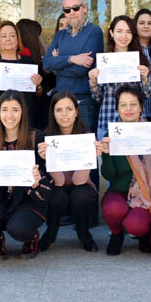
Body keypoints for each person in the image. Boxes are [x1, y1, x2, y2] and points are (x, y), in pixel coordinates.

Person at [0, 90, 51, 259]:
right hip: (1, 198)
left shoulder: (36, 137)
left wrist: (37, 182)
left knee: (18, 228)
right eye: (5, 109)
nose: (9, 115)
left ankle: (31, 237)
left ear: (23, 112)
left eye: (15, 110)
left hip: (28, 199)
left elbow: (48, 185)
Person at [98, 85, 151, 255]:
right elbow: (109, 175)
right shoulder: (112, 133)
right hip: (119, 192)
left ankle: (143, 233)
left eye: (133, 104)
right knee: (113, 208)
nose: (128, 109)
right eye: (123, 105)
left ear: (141, 107)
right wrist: (106, 155)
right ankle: (116, 235)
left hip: (145, 195)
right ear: (117, 109)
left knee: (135, 225)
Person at [37, 92, 100, 251]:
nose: (64, 114)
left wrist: (90, 156)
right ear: (53, 112)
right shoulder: (46, 138)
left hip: (82, 185)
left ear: (77, 111)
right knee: (56, 195)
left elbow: (79, 181)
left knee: (80, 195)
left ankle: (84, 233)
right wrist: (47, 159)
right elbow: (59, 182)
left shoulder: (86, 136)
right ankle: (51, 233)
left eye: (69, 109)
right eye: (59, 110)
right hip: (57, 186)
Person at [44, 0, 105, 133]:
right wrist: (73, 58)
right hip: (59, 100)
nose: (71, 13)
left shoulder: (94, 32)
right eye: (67, 10)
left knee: (86, 150)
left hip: (83, 102)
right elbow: (47, 63)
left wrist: (58, 64)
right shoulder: (59, 36)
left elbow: (82, 69)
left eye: (75, 8)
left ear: (84, 9)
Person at [90, 16, 151, 140]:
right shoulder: (104, 61)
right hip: (108, 121)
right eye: (119, 31)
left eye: (128, 32)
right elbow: (98, 98)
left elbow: (146, 96)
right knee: (107, 159)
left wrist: (145, 79)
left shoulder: (140, 59)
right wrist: (93, 83)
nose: (124, 36)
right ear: (112, 33)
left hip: (135, 124)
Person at [0, 21, 41, 137]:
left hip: (25, 124)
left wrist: (38, 85)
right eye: (3, 36)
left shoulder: (29, 63)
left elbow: (38, 94)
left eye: (12, 36)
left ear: (17, 39)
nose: (8, 39)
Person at [18, 18, 53, 129]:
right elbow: (48, 73)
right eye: (38, 34)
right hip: (34, 107)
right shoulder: (26, 55)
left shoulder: (25, 54)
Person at [133, 9, 151, 120]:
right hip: (137, 113)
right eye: (141, 23)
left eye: (150, 23)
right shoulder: (129, 51)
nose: (146, 26)